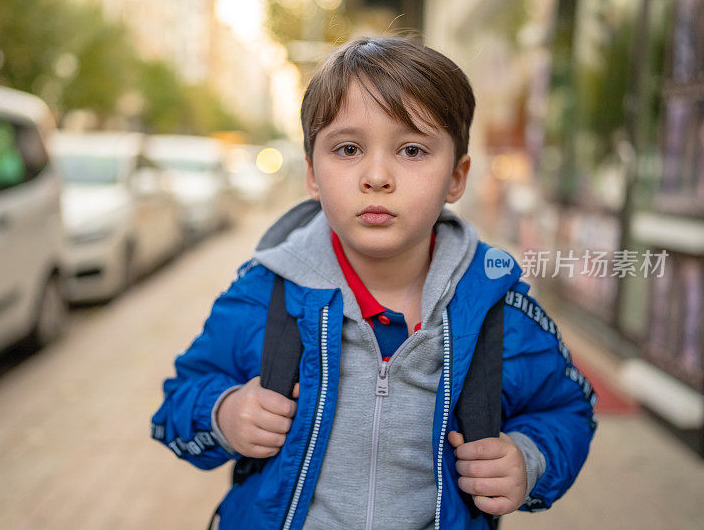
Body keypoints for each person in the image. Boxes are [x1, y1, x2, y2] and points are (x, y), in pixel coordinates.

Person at [150, 36, 596, 530]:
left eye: (411, 149)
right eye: (347, 149)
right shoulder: (264, 294)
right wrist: (225, 413)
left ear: (456, 177)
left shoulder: (498, 308)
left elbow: (567, 409)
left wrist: (527, 458)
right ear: (313, 175)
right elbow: (179, 399)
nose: (377, 176)